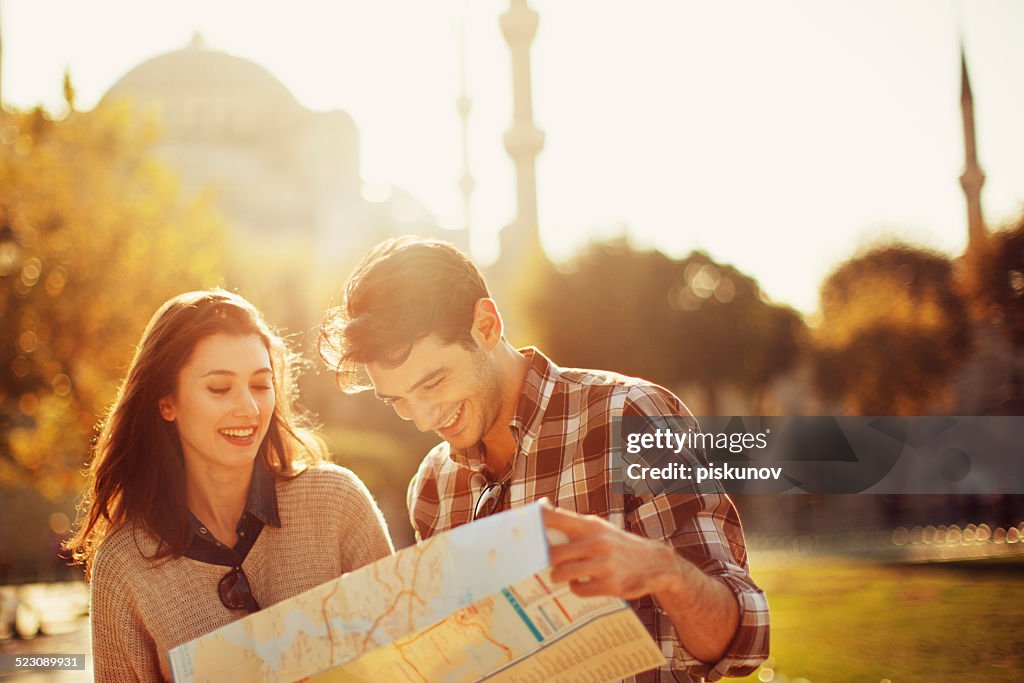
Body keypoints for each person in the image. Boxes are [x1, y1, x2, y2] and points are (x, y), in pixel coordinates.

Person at [318, 237, 769, 683]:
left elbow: (744, 645)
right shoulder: (435, 484)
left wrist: (663, 572)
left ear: (486, 325)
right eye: (398, 400)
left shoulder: (629, 416)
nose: (423, 418)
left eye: (434, 383)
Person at [69, 290, 393, 682]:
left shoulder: (337, 502)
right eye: (220, 389)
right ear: (166, 402)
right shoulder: (124, 566)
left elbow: (409, 653)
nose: (249, 409)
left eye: (260, 385)